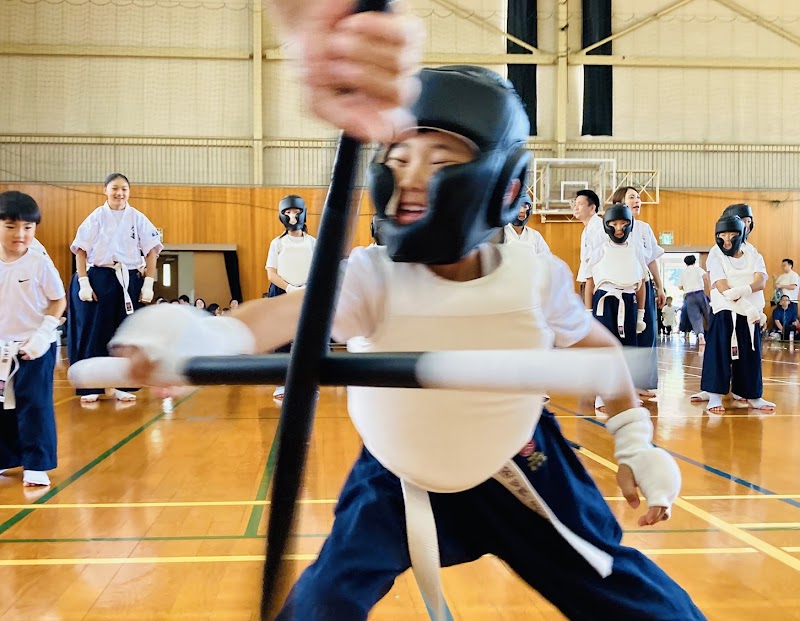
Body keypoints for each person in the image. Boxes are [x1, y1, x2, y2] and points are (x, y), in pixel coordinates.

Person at [109, 65, 703, 621]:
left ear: (503, 185)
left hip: (517, 463)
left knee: (629, 594)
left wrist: (635, 444)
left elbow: (599, 353)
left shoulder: (533, 277)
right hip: (395, 475)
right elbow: (283, 316)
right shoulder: (373, 276)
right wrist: (197, 333)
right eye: (397, 157)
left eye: (440, 160)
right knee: (321, 601)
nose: (411, 176)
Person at [68, 173, 163, 404]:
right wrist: (84, 282)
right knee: (95, 331)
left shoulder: (137, 217)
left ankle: (124, 384)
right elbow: (80, 250)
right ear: (105, 191)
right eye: (115, 189)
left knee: (126, 333)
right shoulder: (96, 217)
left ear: (129, 192)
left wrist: (148, 283)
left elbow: (151, 251)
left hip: (129, 278)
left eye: (124, 189)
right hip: (100, 277)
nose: (119, 193)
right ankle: (90, 385)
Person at [0, 191, 66, 487]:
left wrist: (43, 334)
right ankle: (5, 458)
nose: (20, 235)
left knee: (35, 403)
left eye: (28, 227)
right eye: (10, 226)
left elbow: (58, 300)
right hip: (2, 347)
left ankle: (37, 464)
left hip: (34, 345)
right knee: (2, 404)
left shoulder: (39, 262)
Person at [698, 214, 774, 414]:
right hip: (725, 311)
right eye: (722, 235)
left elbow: (760, 281)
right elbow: (722, 286)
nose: (727, 240)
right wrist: (745, 304)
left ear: (741, 234)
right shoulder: (716, 256)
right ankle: (714, 396)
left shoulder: (754, 255)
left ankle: (753, 395)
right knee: (719, 353)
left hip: (750, 315)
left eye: (732, 235)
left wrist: (745, 291)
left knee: (750, 354)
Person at [584, 203, 649, 412]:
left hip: (628, 301)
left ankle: (626, 393)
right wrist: (588, 313)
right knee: (605, 349)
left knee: (628, 349)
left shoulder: (636, 249)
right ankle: (602, 395)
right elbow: (589, 282)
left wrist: (641, 314)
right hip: (605, 301)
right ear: (606, 225)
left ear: (630, 225)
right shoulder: (599, 250)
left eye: (623, 223)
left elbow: (642, 284)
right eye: (614, 224)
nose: (619, 228)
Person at [610, 187, 664, 399]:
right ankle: (622, 384)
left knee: (647, 333)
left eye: (639, 197)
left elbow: (651, 260)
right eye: (632, 197)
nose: (637, 200)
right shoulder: (609, 228)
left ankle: (641, 383)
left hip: (644, 285)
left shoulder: (643, 228)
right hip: (620, 287)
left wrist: (660, 286)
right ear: (620, 203)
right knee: (624, 334)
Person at [265, 195, 317, 400]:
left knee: (306, 340)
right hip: (282, 292)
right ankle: (281, 383)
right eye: (287, 212)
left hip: (307, 293)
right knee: (282, 340)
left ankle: (308, 383)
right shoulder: (277, 243)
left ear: (303, 214)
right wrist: (288, 288)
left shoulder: (313, 242)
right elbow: (271, 273)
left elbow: (319, 269)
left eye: (296, 212)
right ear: (281, 215)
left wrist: (306, 287)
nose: (292, 216)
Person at [573, 189, 606, 307]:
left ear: (592, 208)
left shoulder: (599, 228)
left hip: (596, 284)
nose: (576, 207)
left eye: (580, 204)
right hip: (588, 281)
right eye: (575, 204)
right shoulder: (587, 228)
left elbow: (598, 261)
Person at [678, 255, 710, 345]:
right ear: (694, 261)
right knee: (708, 313)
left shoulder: (682, 273)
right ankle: (713, 333)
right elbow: (706, 278)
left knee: (695, 317)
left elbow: (680, 286)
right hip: (700, 293)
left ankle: (700, 335)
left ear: (685, 263)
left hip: (689, 296)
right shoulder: (698, 269)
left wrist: (686, 287)